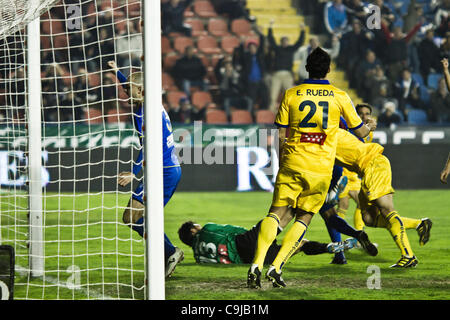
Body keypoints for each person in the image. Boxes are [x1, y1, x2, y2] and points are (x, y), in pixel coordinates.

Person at [247, 47, 376, 289]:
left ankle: (256, 264)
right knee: (304, 217)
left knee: (275, 213)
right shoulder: (339, 96)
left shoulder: (291, 94)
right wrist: (371, 124)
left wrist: (283, 158)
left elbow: (280, 134)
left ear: (306, 67)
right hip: (319, 167)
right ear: (329, 69)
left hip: (292, 160)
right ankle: (276, 267)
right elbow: (359, 133)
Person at [108, 61, 184, 278]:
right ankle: (169, 253)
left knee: (132, 216)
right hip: (164, 169)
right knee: (134, 216)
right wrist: (117, 73)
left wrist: (133, 171)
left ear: (140, 91)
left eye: (128, 89)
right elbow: (134, 84)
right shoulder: (151, 103)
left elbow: (148, 146)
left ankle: (170, 253)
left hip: (163, 172)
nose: (125, 92)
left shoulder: (144, 114)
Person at [335, 128, 433, 267]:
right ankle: (419, 224)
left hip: (373, 165)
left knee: (386, 209)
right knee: (369, 218)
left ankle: (408, 256)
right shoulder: (324, 138)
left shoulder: (327, 136)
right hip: (365, 171)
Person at [178, 217, 358, 265]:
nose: (199, 226)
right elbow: (233, 230)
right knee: (274, 219)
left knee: (298, 246)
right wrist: (257, 236)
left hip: (249, 260)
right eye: (196, 225)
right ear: (193, 229)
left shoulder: (197, 256)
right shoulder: (208, 228)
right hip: (243, 243)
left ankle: (329, 248)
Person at [337, 104, 374, 232]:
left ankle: (359, 236)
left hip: (354, 176)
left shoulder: (369, 134)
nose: (364, 116)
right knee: (344, 205)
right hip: (342, 174)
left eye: (367, 113)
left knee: (362, 204)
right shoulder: (348, 129)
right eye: (360, 114)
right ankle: (339, 241)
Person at [267, 20, 305, 112]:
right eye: (283, 41)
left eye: (286, 41)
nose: (285, 42)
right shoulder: (277, 49)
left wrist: (303, 30)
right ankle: (271, 114)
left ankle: (290, 112)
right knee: (272, 96)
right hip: (277, 74)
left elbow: (299, 42)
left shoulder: (291, 49)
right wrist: (270, 27)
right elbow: (271, 40)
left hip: (287, 75)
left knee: (290, 96)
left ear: (288, 42)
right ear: (281, 42)